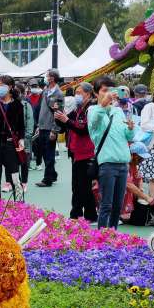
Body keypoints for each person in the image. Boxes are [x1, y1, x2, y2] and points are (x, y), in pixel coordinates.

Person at [87, 76, 135, 229]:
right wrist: (103, 104)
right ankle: (102, 236)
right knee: (106, 204)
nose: (108, 93)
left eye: (110, 90)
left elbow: (127, 137)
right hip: (107, 163)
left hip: (123, 163)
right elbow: (94, 124)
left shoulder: (118, 111)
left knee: (118, 206)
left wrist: (130, 129)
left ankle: (113, 235)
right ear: (96, 93)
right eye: (104, 90)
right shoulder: (93, 110)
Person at [54, 82, 98, 223]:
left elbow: (83, 129)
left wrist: (66, 120)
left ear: (88, 94)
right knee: (77, 186)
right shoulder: (78, 108)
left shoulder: (91, 109)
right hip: (76, 152)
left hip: (87, 153)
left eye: (79, 93)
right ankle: (76, 214)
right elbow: (65, 123)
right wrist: (57, 115)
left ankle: (90, 215)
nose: (76, 95)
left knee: (84, 187)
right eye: (75, 93)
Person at [120, 142, 154, 225]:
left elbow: (139, 179)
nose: (142, 160)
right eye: (141, 157)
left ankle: (123, 212)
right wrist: (146, 198)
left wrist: (140, 190)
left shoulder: (133, 165)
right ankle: (117, 213)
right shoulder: (124, 163)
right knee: (127, 189)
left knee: (136, 192)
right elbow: (128, 185)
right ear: (134, 155)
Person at [35, 68, 63, 187]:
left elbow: (58, 112)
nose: (46, 78)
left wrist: (54, 130)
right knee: (45, 152)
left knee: (49, 154)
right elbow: (42, 109)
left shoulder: (58, 93)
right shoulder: (46, 91)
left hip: (50, 127)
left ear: (52, 78)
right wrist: (39, 125)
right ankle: (53, 174)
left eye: (47, 76)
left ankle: (47, 179)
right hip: (43, 126)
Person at [14, 82, 34, 193]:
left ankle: (24, 182)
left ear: (22, 93)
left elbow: (30, 121)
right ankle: (15, 182)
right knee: (13, 161)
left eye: (17, 91)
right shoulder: (10, 104)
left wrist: (27, 136)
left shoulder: (26, 105)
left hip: (25, 137)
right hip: (13, 137)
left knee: (24, 161)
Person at [27, 78, 44, 170]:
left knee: (39, 144)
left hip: (39, 124)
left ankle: (38, 163)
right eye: (32, 86)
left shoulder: (42, 98)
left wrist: (39, 124)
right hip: (30, 125)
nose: (34, 87)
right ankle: (28, 163)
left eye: (35, 86)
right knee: (30, 144)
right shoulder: (27, 98)